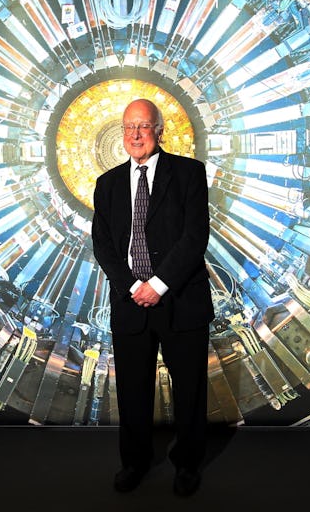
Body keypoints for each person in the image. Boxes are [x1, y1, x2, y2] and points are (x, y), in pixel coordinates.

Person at [91, 98, 214, 497]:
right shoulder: (107, 184)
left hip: (181, 300)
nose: (136, 134)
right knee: (132, 390)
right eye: (129, 127)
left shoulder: (189, 174)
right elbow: (103, 245)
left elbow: (195, 237)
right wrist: (133, 287)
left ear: (159, 131)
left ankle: (188, 464)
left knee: (190, 391)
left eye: (143, 126)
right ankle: (134, 461)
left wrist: (158, 285)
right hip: (130, 302)